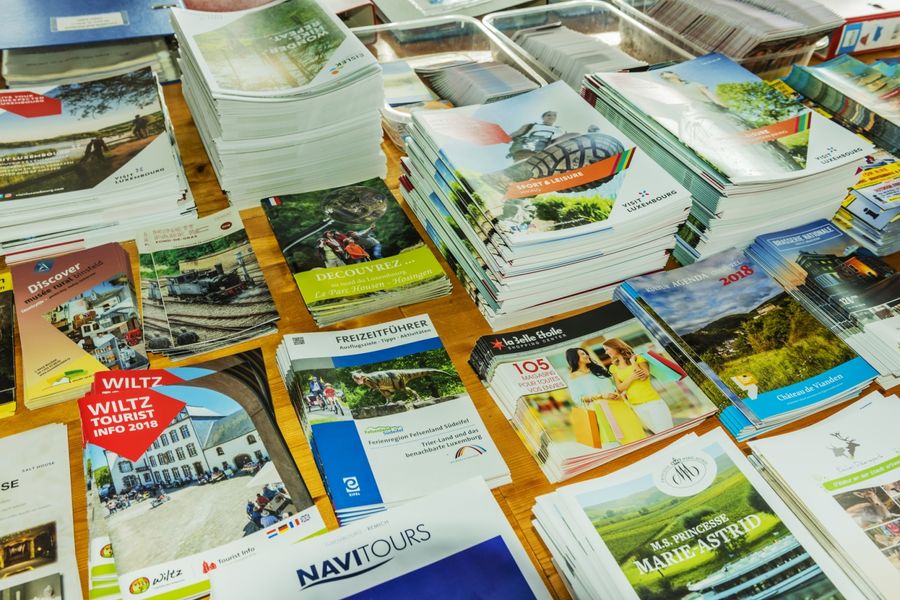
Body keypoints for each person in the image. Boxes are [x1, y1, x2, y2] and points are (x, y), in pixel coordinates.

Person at [656, 70, 802, 175]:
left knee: (747, 129)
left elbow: (709, 95)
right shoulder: (672, 91)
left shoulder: (693, 84)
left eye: (668, 73)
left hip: (715, 108)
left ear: (675, 74)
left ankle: (784, 152)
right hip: (701, 115)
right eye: (664, 76)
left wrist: (723, 107)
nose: (667, 76)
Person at [565, 347, 644, 447]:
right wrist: (601, 395)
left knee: (634, 429)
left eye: (586, 353)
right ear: (575, 358)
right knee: (617, 437)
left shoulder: (597, 369)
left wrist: (619, 393)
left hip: (619, 404)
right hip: (602, 409)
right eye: (583, 354)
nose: (587, 355)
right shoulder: (573, 376)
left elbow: (613, 386)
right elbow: (578, 399)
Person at [602, 338, 674, 434]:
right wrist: (631, 378)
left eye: (607, 349)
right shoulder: (613, 367)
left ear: (615, 346)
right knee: (659, 434)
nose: (606, 352)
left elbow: (643, 377)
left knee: (667, 433)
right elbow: (619, 388)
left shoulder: (638, 358)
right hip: (637, 406)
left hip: (653, 402)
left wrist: (633, 362)